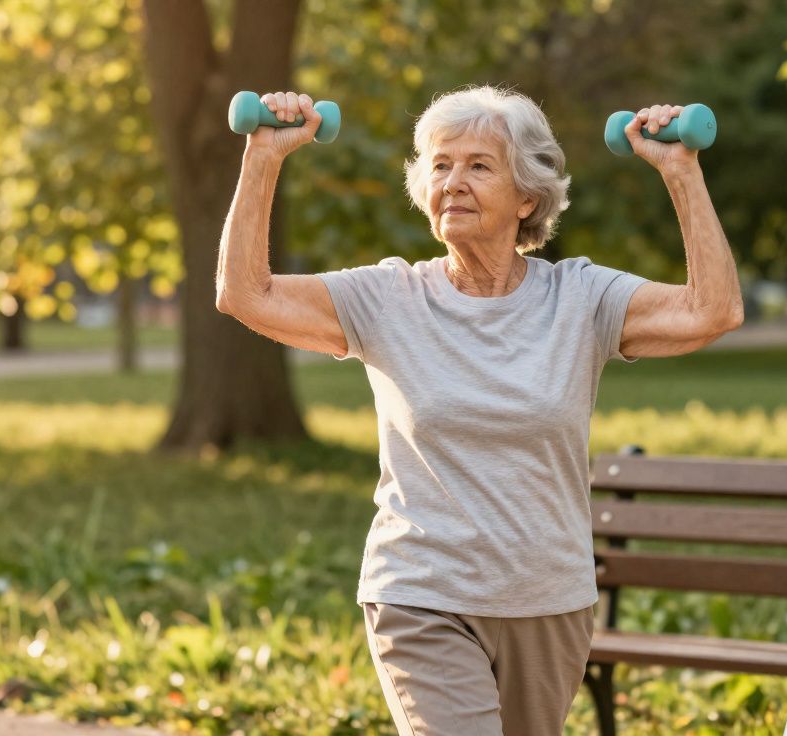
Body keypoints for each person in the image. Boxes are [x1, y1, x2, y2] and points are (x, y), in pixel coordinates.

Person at [216, 85, 743, 735]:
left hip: (549, 602)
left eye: (478, 165)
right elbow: (244, 292)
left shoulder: (579, 298)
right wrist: (262, 156)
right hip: (422, 593)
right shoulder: (387, 298)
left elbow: (712, 310)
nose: (453, 181)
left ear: (528, 197)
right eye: (440, 165)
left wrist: (680, 171)